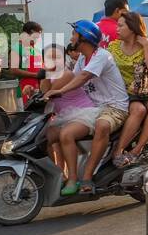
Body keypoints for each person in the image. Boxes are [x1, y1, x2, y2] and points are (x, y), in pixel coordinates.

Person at [44, 19, 129, 195]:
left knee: (102, 125)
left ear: (83, 37)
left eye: (74, 34)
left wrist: (59, 90)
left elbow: (82, 78)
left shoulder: (102, 56)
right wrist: (48, 87)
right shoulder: (82, 58)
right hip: (95, 108)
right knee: (58, 133)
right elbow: (72, 78)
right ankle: (70, 179)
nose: (71, 37)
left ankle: (88, 177)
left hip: (115, 107)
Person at [106, 10, 148, 166]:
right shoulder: (113, 47)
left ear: (133, 28)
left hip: (147, 91)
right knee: (139, 110)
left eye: (121, 26)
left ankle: (137, 150)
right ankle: (119, 151)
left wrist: (146, 45)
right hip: (125, 94)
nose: (117, 29)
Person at [39, 42, 97, 180]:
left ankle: (72, 178)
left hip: (82, 113)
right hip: (64, 117)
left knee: (66, 135)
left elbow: (47, 93)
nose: (53, 61)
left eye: (57, 57)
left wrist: (43, 78)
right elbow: (42, 94)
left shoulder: (67, 74)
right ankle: (57, 174)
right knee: (42, 138)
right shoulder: (50, 76)